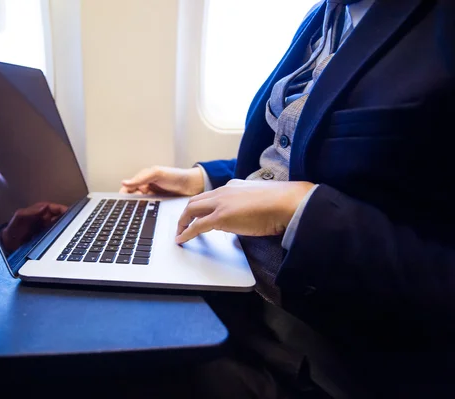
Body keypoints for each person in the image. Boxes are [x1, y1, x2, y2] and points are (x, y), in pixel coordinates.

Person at [119, 0, 455, 397]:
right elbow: (302, 154)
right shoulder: (327, 15)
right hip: (239, 282)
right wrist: (205, 179)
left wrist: (303, 211)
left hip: (326, 344)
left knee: (99, 367)